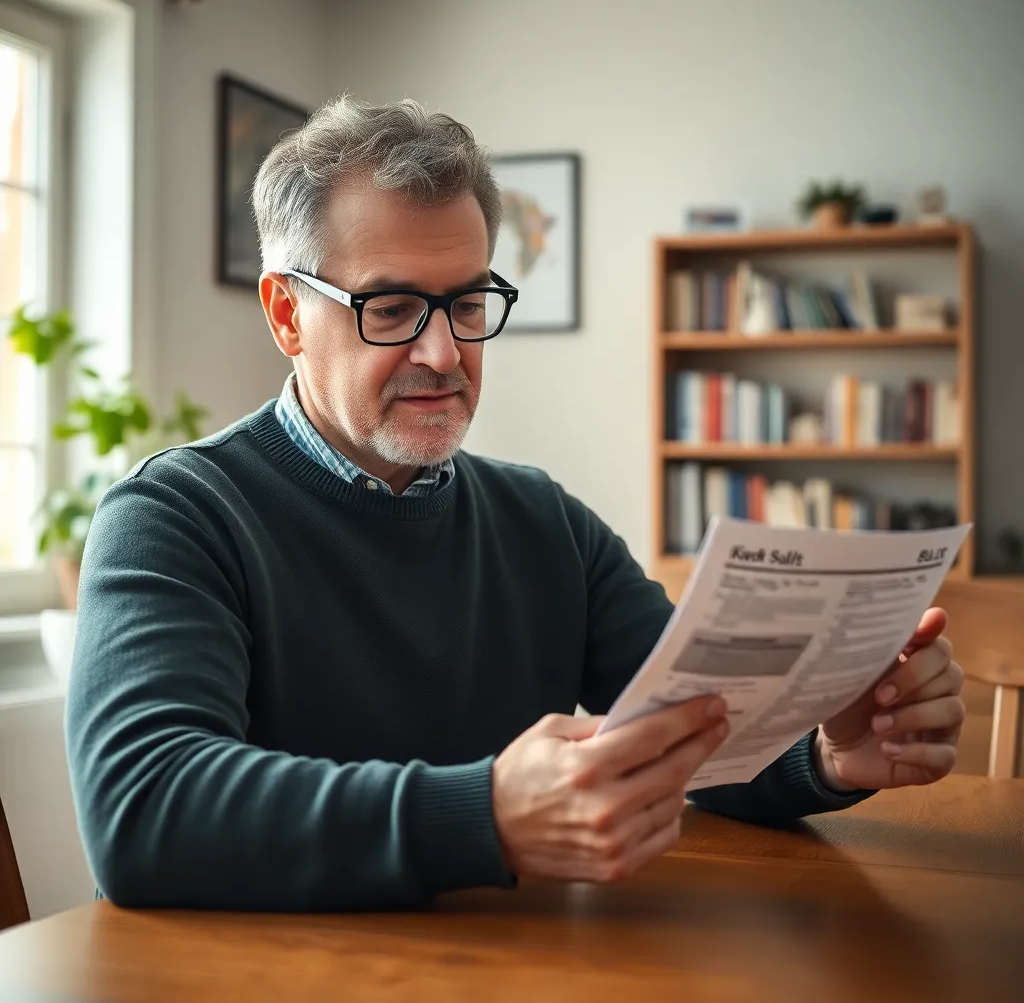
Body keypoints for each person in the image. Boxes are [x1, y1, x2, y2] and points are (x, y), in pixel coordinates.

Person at [66, 97, 966, 912]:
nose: (444, 353)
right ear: (287, 314)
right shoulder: (174, 516)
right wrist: (485, 814)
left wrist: (824, 755)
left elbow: (695, 732)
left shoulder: (546, 524)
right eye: (391, 308)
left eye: (466, 303)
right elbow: (144, 809)